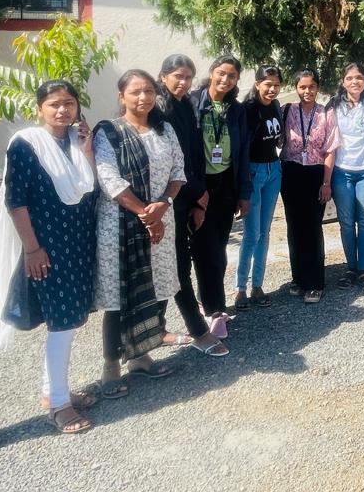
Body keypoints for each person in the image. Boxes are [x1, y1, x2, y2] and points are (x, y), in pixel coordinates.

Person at [0, 80, 99, 434]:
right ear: (39, 109)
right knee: (62, 323)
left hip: (78, 243)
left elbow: (90, 187)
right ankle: (59, 404)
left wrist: (87, 149)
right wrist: (32, 248)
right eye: (54, 104)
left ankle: (54, 389)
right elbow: (16, 201)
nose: (63, 110)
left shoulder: (77, 141)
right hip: (48, 247)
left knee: (71, 319)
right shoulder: (26, 144)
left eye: (69, 103)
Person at [92, 69, 188, 398]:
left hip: (162, 219)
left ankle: (140, 356)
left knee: (156, 287)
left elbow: (179, 171)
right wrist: (147, 215)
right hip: (120, 226)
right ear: (122, 97)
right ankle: (110, 367)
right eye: (135, 92)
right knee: (119, 297)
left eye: (148, 91)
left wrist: (163, 205)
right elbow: (109, 179)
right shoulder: (108, 132)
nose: (144, 97)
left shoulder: (165, 130)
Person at [160, 55, 232, 355]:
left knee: (175, 265)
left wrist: (199, 196)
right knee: (175, 267)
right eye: (177, 76)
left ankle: (160, 328)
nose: (183, 82)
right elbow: (168, 162)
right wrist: (194, 193)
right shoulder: (160, 110)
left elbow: (194, 155)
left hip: (188, 195)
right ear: (163, 76)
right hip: (165, 199)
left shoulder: (185, 106)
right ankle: (197, 330)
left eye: (188, 77)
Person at [189, 55, 252, 329]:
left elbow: (244, 152)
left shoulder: (236, 110)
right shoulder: (191, 103)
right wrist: (193, 192)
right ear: (212, 72)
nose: (226, 79)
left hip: (226, 183)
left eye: (232, 76)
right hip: (200, 185)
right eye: (222, 73)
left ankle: (210, 300)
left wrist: (244, 193)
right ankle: (214, 308)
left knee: (220, 248)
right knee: (205, 250)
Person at [280, 70, 338, 303]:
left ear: (317, 87)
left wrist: (326, 183)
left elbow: (330, 150)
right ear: (296, 88)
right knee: (294, 226)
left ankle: (315, 282)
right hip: (291, 172)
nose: (307, 91)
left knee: (313, 226)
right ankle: (298, 278)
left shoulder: (326, 113)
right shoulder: (287, 111)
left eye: (311, 86)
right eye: (302, 87)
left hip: (316, 173)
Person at [236, 65, 284, 309]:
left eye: (276, 85)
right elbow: (240, 148)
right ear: (257, 84)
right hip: (253, 173)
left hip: (273, 170)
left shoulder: (275, 106)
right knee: (252, 233)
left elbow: (278, 138)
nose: (272, 89)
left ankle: (258, 285)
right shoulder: (247, 110)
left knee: (264, 233)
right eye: (268, 84)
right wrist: (242, 185)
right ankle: (240, 289)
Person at [330, 63, 364, 290]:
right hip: (342, 172)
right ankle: (351, 268)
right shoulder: (334, 106)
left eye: (359, 77)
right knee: (346, 223)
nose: (354, 82)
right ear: (343, 81)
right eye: (349, 78)